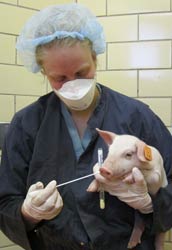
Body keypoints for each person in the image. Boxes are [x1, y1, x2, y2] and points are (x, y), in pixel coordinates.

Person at [0, 3, 172, 250]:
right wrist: (28, 213)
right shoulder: (27, 125)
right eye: (59, 78)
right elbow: (5, 202)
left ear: (95, 59)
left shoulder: (137, 116)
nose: (73, 85)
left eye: (82, 72)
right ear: (44, 73)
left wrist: (151, 202)